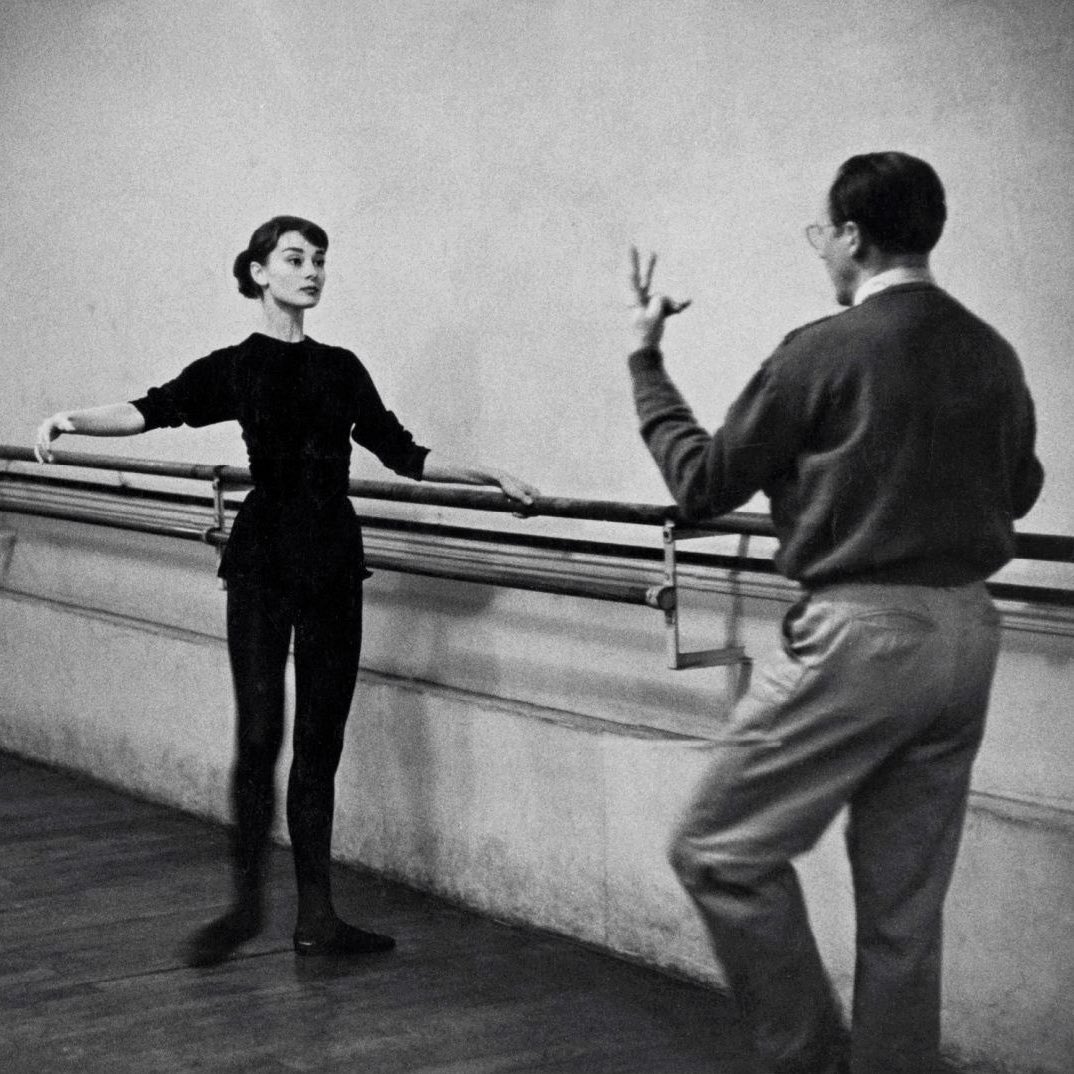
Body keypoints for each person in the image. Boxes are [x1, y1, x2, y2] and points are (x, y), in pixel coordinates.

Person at [626, 153, 1043, 1074]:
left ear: (853, 237)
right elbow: (1022, 485)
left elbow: (701, 482)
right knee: (903, 914)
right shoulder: (992, 351)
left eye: (824, 233)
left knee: (716, 851)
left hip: (864, 635)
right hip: (969, 634)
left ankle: (808, 1060)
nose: (823, 251)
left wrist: (647, 360)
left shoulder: (824, 348)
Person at [35, 215, 539, 968]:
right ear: (260, 271)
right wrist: (71, 418)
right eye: (296, 259)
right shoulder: (238, 366)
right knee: (261, 734)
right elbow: (151, 409)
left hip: (334, 559)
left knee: (319, 744)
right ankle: (243, 909)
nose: (312, 272)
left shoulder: (341, 367)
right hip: (265, 559)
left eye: (321, 261)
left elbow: (402, 452)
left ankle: (318, 919)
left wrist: (490, 474)